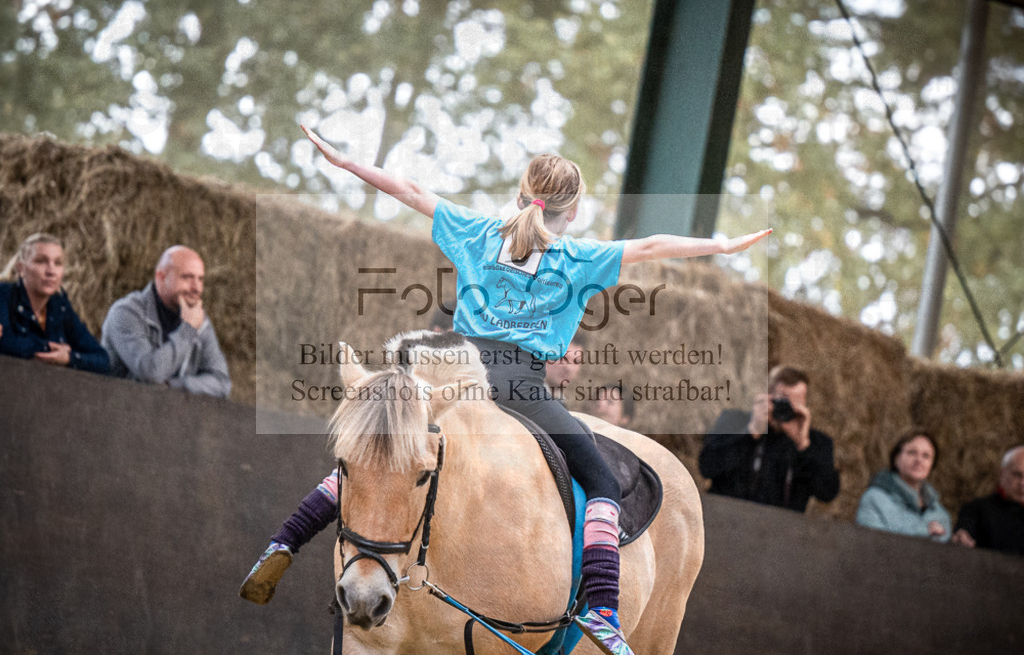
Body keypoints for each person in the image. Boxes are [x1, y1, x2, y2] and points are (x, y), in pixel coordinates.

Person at [241, 124, 770, 654]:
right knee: (603, 481)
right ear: (574, 211)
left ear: (520, 194)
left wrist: (346, 162)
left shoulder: (476, 231)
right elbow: (653, 245)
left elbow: (410, 191)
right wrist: (720, 245)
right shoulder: (576, 256)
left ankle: (286, 537)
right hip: (519, 386)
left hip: (449, 375)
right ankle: (604, 608)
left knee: (384, 450)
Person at [698, 366, 839, 512]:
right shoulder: (734, 422)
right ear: (767, 396)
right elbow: (707, 467)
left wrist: (803, 446)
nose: (785, 410)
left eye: (793, 404)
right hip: (727, 519)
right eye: (782, 402)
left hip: (783, 531)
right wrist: (751, 432)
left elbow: (827, 493)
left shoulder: (817, 442)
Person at [101, 245, 231, 398]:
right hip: (120, 411)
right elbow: (150, 373)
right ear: (161, 277)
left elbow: (222, 383)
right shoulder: (125, 313)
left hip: (169, 417)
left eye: (200, 279)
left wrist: (174, 385)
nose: (196, 288)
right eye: (187, 277)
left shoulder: (199, 320)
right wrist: (188, 331)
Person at [0, 233, 109, 374]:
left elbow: (102, 359)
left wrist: (69, 357)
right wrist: (49, 348)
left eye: (57, 263)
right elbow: (5, 342)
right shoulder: (4, 295)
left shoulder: (60, 306)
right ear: (21, 268)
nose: (51, 271)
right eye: (41, 261)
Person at [855, 432, 951, 541]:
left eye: (926, 456)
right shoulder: (874, 499)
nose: (919, 460)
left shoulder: (940, 515)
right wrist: (923, 531)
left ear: (932, 465)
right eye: (912, 453)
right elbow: (870, 546)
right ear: (896, 459)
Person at [951, 445, 1024, 555]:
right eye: (1017, 475)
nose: (1022, 483)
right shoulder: (976, 510)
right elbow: (963, 540)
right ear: (1002, 474)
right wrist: (962, 540)